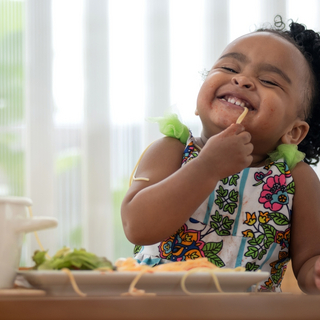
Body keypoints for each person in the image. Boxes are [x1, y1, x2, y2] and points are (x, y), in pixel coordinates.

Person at [121, 16, 320, 293]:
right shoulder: (172, 151)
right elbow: (137, 225)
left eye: (268, 80)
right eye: (228, 67)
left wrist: (315, 271)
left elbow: (309, 263)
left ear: (294, 132)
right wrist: (207, 167)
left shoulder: (296, 179)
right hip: (157, 308)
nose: (242, 79)